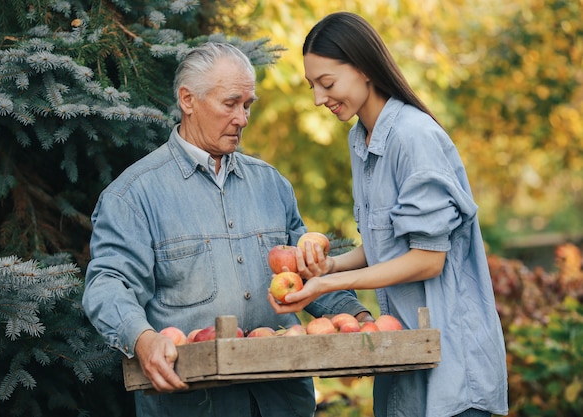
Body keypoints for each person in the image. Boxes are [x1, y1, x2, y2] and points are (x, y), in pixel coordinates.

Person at [82, 42, 372, 417]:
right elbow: (108, 284)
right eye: (230, 104)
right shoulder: (133, 195)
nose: (243, 118)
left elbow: (308, 273)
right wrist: (142, 339)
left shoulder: (272, 185)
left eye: (248, 105)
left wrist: (358, 319)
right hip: (193, 405)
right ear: (188, 100)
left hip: (280, 402)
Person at [268, 12, 509, 417]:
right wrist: (327, 267)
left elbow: (428, 258)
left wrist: (330, 287)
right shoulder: (360, 139)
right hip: (400, 355)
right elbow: (386, 244)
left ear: (363, 68)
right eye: (312, 86)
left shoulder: (414, 137)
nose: (318, 99)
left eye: (326, 84)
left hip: (451, 368)